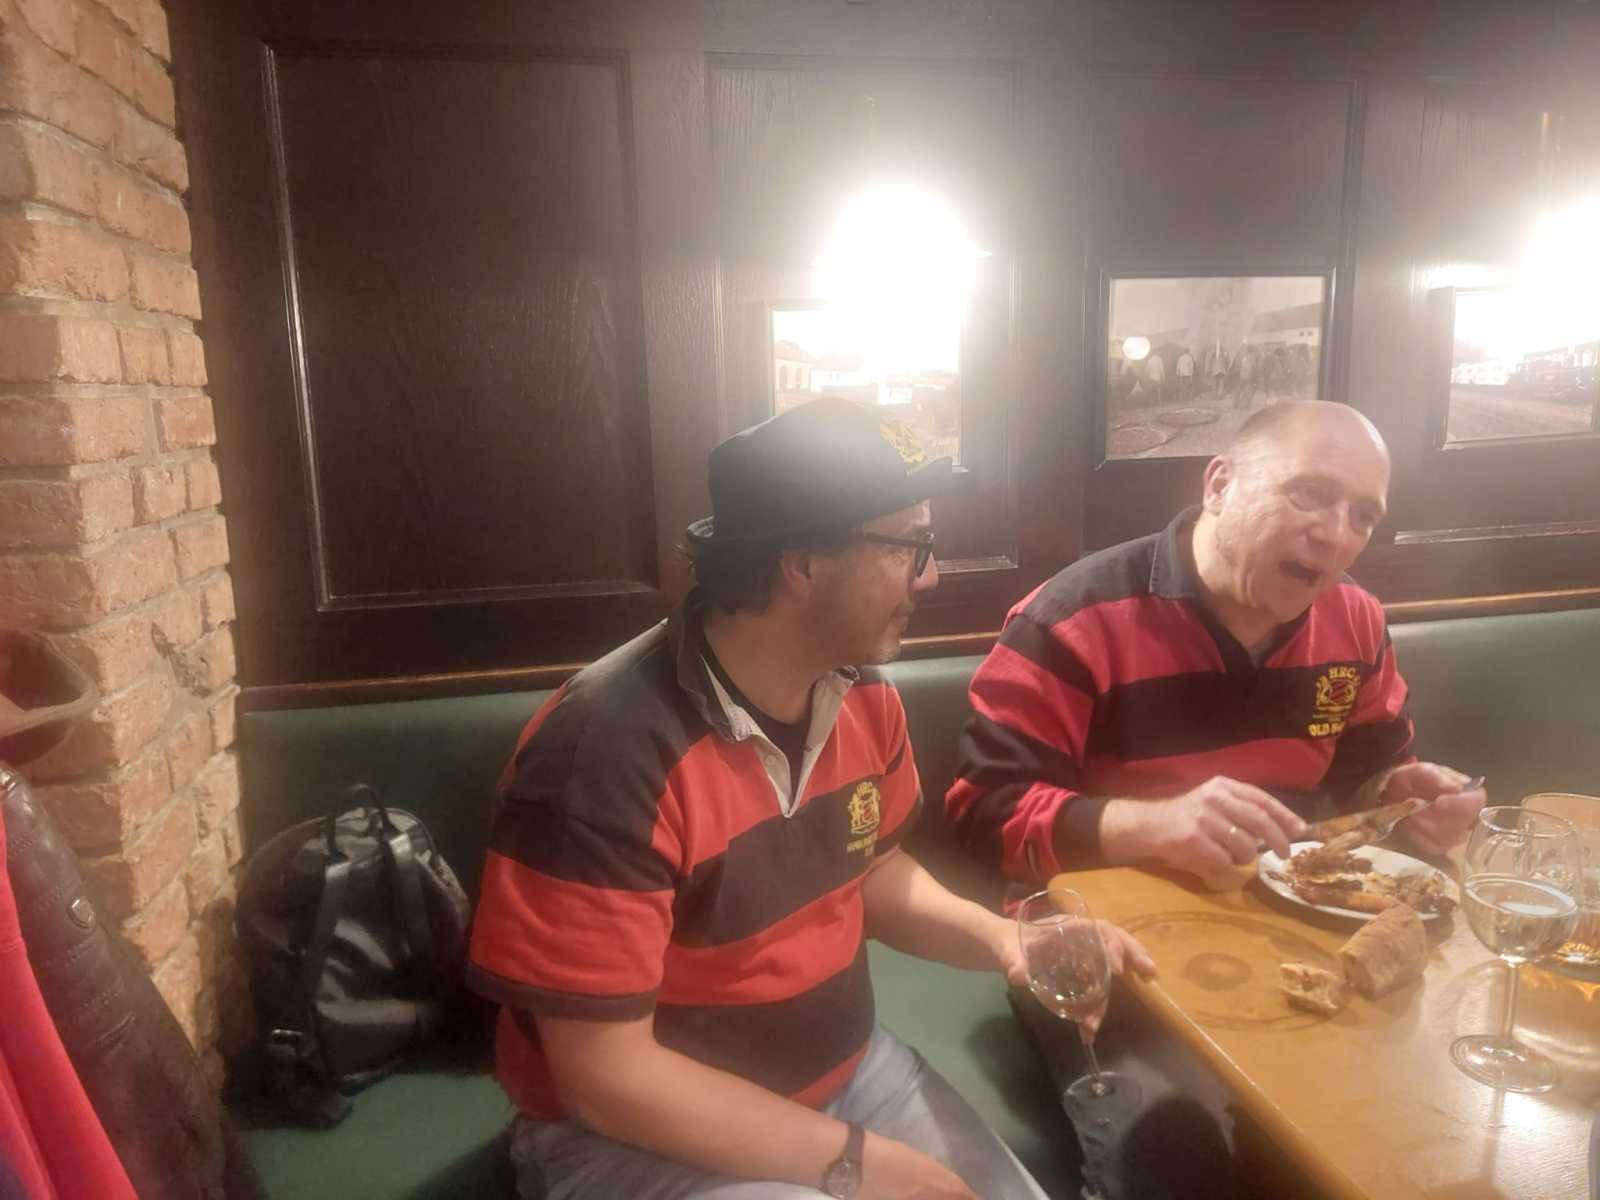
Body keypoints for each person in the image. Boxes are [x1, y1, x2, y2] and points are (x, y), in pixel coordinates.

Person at [467, 398, 1156, 1200]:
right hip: (626, 1138)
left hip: (849, 1077)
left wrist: (1008, 941)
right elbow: (604, 1081)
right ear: (801, 564)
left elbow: (872, 871)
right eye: (911, 547)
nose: (930, 575)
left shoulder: (863, 695)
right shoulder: (603, 751)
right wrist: (863, 1164)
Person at [946, 400, 1488, 883]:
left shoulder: (1355, 619)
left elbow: (1369, 772)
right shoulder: (1072, 621)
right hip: (1108, 924)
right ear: (1220, 486)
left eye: (1363, 517)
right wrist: (1149, 826)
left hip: (1288, 903)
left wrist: (1400, 798)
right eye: (1310, 494)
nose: (1335, 535)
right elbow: (982, 817)